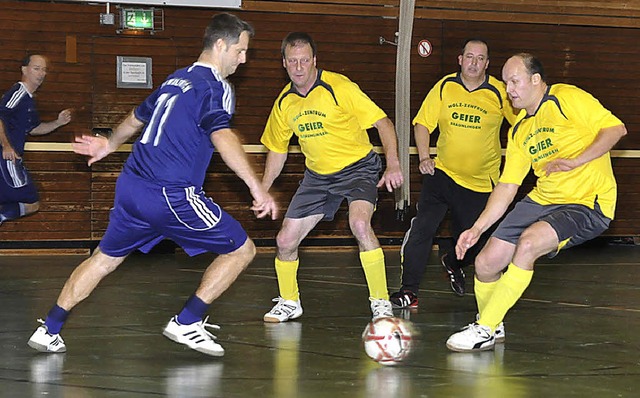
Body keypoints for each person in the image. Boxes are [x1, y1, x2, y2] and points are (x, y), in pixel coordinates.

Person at [27, 13, 277, 357]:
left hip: (132, 187)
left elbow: (136, 116)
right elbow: (222, 134)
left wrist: (110, 144)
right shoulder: (214, 86)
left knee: (104, 259)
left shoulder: (176, 80)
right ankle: (187, 322)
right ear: (221, 45)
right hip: (171, 193)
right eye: (241, 50)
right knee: (241, 249)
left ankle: (49, 328)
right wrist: (256, 187)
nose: (243, 59)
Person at [446, 53, 627, 352]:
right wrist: (477, 229)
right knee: (485, 262)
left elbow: (615, 129)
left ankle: (485, 327)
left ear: (536, 80)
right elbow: (507, 186)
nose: (509, 89)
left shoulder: (566, 98)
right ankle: (495, 323)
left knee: (528, 243)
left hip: (586, 202)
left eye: (514, 81)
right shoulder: (519, 128)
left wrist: (575, 161)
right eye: (505, 83)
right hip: (544, 198)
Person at [260, 32, 404, 323]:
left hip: (358, 169)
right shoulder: (284, 103)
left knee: (360, 224)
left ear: (314, 60)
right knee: (285, 240)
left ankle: (380, 301)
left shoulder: (339, 87)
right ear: (284, 64)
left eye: (304, 60)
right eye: (292, 61)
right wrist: (262, 189)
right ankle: (290, 301)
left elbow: (383, 122)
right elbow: (277, 150)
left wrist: (393, 164)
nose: (298, 67)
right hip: (318, 177)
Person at [390, 39, 516, 308]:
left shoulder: (499, 92)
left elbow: (522, 124)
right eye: (469, 57)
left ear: (487, 63)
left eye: (480, 58)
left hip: (481, 184)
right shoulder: (445, 86)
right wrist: (424, 156)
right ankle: (408, 291)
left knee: (471, 243)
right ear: (460, 59)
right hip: (442, 174)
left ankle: (452, 262)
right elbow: (423, 123)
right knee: (422, 228)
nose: (473, 63)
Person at [0, 54, 72, 223]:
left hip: (10, 157)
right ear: (24, 70)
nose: (41, 73)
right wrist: (6, 146)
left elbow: (34, 129)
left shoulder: (28, 100)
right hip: (7, 158)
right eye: (36, 68)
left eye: (44, 70)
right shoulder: (18, 93)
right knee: (30, 201)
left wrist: (57, 123)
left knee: (24, 203)